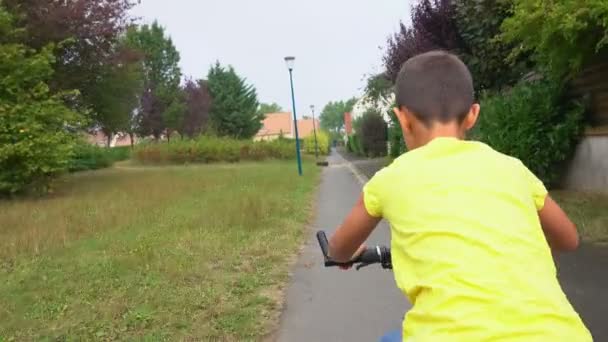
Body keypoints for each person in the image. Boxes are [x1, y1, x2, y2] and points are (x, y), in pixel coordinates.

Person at [328, 51, 592, 341]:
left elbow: (338, 249)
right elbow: (568, 239)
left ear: (402, 119)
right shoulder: (513, 169)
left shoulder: (390, 179)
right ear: (473, 115)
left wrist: (345, 254)